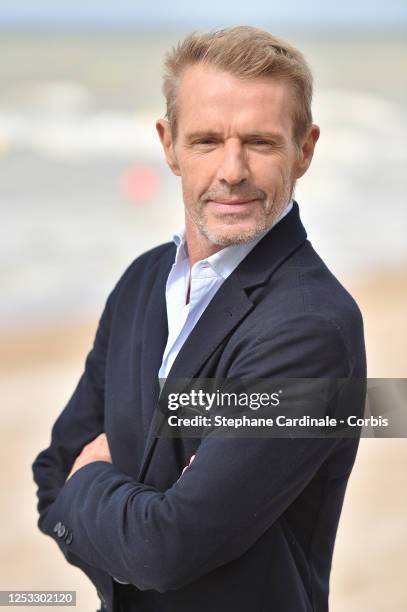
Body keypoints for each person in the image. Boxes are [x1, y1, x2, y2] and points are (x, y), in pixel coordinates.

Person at [32, 26, 366, 612]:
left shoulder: (312, 328)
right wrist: (127, 521)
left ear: (304, 150)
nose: (232, 170)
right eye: (207, 140)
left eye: (260, 142)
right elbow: (52, 477)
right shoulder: (142, 281)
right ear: (169, 145)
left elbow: (168, 550)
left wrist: (94, 488)